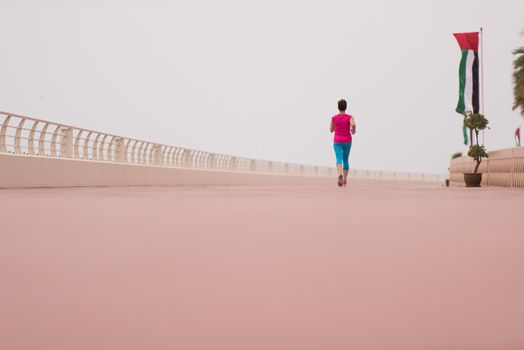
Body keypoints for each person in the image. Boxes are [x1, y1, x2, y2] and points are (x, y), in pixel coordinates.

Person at [330, 99, 356, 187]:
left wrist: (336, 127)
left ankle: (339, 174)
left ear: (338, 107)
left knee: (338, 158)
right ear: (346, 107)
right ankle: (344, 179)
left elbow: (331, 130)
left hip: (337, 141)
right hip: (347, 141)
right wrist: (354, 129)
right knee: (346, 159)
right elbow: (353, 124)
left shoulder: (334, 118)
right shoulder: (350, 117)